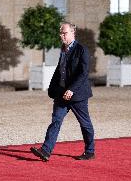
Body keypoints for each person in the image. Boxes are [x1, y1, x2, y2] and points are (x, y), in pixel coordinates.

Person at [30, 22, 95, 161]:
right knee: (56, 121)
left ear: (73, 33)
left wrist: (72, 89)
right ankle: (46, 151)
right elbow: (60, 70)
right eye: (61, 33)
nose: (62, 36)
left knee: (84, 123)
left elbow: (83, 73)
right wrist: (52, 88)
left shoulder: (82, 50)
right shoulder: (63, 49)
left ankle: (90, 151)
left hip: (78, 95)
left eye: (64, 33)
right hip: (61, 94)